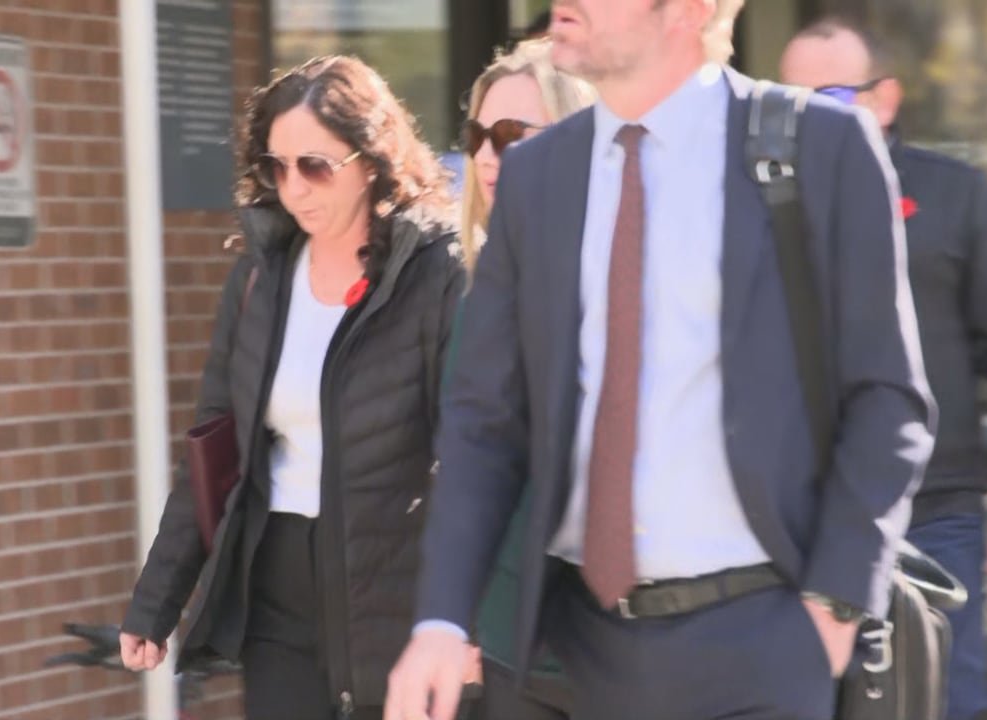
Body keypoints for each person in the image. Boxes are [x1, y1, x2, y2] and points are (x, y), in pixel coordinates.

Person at [386, 2, 936, 720]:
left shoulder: (822, 148)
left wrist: (830, 610)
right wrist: (441, 620)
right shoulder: (539, 177)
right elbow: (483, 423)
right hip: (578, 653)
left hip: (764, 640)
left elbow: (886, 399)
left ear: (688, 10)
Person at [118, 55, 466, 720]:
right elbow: (215, 442)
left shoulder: (436, 274)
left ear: (370, 159)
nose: (295, 188)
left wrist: (460, 616)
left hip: (393, 586)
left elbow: (468, 456)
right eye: (278, 167)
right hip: (277, 581)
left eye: (315, 166)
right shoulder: (261, 277)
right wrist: (157, 603)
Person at [781, 18, 987, 720]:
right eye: (787, 98)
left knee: (943, 697)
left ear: (886, 98)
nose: (806, 115)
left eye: (831, 95)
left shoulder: (958, 196)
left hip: (935, 513)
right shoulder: (753, 207)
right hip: (794, 522)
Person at [454, 37, 595, 720]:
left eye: (510, 135)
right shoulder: (473, 292)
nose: (485, 155)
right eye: (478, 134)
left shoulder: (632, 280)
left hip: (623, 649)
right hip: (510, 645)